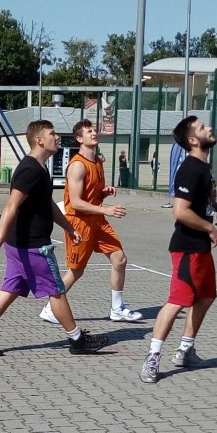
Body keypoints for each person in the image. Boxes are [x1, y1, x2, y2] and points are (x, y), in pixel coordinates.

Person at [0, 119, 108, 357]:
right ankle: (77, 339)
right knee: (56, 290)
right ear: (39, 140)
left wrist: (69, 227)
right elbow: (11, 205)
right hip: (32, 246)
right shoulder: (30, 169)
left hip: (19, 244)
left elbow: (47, 204)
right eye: (53, 133)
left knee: (9, 290)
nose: (58, 137)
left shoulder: (40, 169)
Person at [139, 115, 217, 384]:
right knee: (177, 302)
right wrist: (210, 228)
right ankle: (152, 358)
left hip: (200, 249)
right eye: (202, 128)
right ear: (192, 140)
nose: (209, 128)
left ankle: (185, 349)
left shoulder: (204, 167)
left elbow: (203, 198)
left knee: (206, 297)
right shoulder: (190, 168)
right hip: (187, 248)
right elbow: (180, 211)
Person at [39, 119, 143, 324]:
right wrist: (106, 209)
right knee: (76, 270)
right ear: (79, 138)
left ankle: (117, 308)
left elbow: (90, 196)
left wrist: (103, 194)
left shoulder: (98, 162)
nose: (94, 133)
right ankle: (50, 308)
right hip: (80, 223)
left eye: (94, 130)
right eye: (89, 131)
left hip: (98, 221)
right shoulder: (77, 165)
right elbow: (76, 203)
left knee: (120, 259)